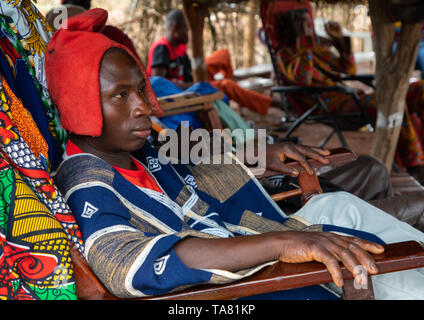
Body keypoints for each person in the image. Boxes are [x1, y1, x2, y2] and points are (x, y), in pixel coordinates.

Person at [46, 8, 424, 300]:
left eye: (141, 91)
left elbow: (193, 153)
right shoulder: (87, 185)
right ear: (81, 106)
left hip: (252, 232)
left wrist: (264, 153)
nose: (144, 107)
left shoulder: (134, 150)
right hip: (245, 282)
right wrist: (280, 244)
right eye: (120, 96)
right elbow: (123, 262)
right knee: (389, 273)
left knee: (342, 206)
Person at [273, 8, 424, 183]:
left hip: (352, 99)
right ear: (293, 27)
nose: (309, 27)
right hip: (328, 106)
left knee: (419, 89)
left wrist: (339, 41)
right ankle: (416, 165)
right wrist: (303, 40)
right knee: (388, 103)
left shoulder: (318, 50)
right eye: (304, 24)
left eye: (309, 23)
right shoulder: (285, 54)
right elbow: (303, 78)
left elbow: (348, 69)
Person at [147, 10, 284, 118]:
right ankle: (271, 103)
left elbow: (190, 69)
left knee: (223, 55)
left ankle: (228, 84)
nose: (188, 34)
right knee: (228, 86)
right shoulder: (162, 48)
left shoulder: (179, 46)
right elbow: (159, 84)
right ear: (175, 29)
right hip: (182, 90)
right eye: (186, 29)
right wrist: (193, 85)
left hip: (192, 81)